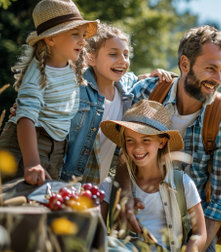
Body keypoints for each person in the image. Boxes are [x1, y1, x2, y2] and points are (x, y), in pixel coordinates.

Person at [116, 25, 221, 251]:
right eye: (210, 68)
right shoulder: (148, 93)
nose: (217, 79)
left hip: (195, 230)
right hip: (138, 218)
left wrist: (192, 246)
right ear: (185, 64)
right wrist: (125, 195)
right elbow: (121, 153)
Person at [59, 23, 173, 184]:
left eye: (126, 55)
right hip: (63, 181)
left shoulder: (125, 90)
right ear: (91, 58)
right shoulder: (77, 88)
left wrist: (151, 74)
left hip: (95, 187)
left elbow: (132, 77)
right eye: (113, 54)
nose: (122, 61)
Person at [0, 0, 98, 186]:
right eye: (75, 34)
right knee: (18, 204)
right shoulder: (37, 73)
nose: (83, 41)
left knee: (42, 202)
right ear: (51, 39)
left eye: (83, 35)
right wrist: (32, 162)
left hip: (56, 148)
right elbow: (25, 118)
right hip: (27, 147)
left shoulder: (72, 66)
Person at [99, 100, 207, 251]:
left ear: (162, 142)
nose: (138, 148)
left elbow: (200, 234)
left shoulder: (182, 184)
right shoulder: (111, 185)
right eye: (130, 140)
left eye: (146, 140)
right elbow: (98, 234)